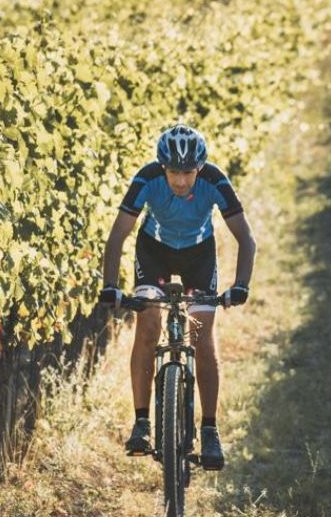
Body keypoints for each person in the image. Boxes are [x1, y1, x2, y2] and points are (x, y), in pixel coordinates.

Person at [96, 124, 256, 471]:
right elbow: (118, 236)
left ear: (200, 168)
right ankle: (141, 422)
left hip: (199, 255)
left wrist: (240, 284)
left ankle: (210, 429)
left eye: (187, 172)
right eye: (173, 172)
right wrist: (111, 285)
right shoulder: (146, 179)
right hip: (154, 252)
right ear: (162, 167)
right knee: (148, 324)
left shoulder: (215, 181)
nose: (181, 181)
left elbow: (246, 239)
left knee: (202, 337)